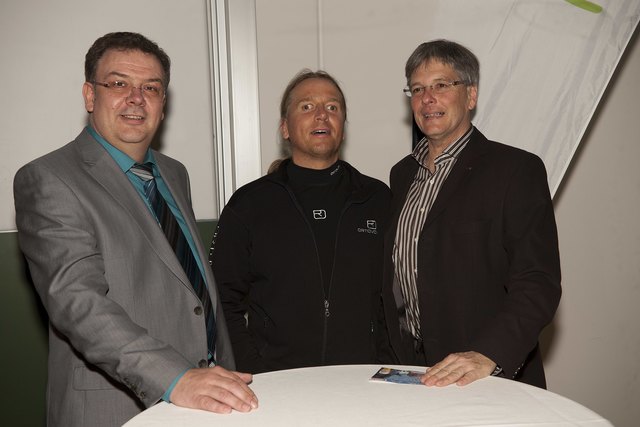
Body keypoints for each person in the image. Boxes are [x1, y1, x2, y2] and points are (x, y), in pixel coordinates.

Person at [13, 32, 257, 427]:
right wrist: (175, 378)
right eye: (118, 84)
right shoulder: (48, 179)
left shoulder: (174, 173)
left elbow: (187, 288)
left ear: (164, 102)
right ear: (90, 96)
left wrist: (219, 369)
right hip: (117, 410)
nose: (136, 98)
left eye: (151, 88)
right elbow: (78, 303)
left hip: (207, 400)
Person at [382, 39, 561, 388]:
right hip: (413, 373)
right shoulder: (401, 174)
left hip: (485, 375)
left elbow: (538, 282)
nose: (427, 98)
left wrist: (488, 354)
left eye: (441, 85)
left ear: (471, 96)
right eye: (417, 89)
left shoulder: (515, 170)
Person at [209, 70, 391, 373]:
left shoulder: (377, 199)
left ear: (343, 128)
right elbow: (221, 300)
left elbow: (394, 299)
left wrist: (385, 366)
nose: (321, 115)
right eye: (307, 107)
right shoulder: (250, 204)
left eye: (332, 107)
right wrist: (255, 369)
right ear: (285, 128)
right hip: (277, 383)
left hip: (363, 381)